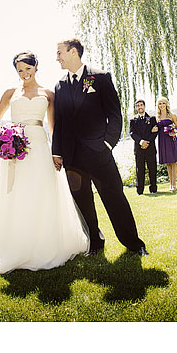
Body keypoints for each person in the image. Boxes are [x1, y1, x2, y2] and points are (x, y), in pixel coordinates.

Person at [0, 52, 89, 272]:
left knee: (42, 191)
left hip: (39, 145)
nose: (24, 74)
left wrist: (56, 152)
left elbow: (53, 125)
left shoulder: (48, 93)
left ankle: (45, 243)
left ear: (36, 66)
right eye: (20, 70)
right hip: (14, 149)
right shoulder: (11, 93)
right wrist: (2, 141)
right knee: (15, 192)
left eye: (27, 69)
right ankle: (12, 243)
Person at [52, 38, 148, 256]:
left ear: (73, 52)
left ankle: (134, 243)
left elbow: (114, 114)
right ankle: (95, 242)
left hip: (99, 153)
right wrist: (56, 152)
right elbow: (60, 122)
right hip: (73, 157)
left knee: (115, 197)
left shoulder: (100, 77)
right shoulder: (60, 85)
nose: (56, 57)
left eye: (59, 53)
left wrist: (106, 144)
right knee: (83, 202)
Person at [128, 99, 158, 195]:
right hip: (139, 149)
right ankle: (139, 191)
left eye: (141, 105)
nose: (140, 107)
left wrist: (147, 142)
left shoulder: (152, 119)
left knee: (152, 169)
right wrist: (141, 142)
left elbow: (155, 131)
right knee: (140, 170)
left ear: (144, 106)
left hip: (150, 148)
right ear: (136, 108)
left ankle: (153, 189)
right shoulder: (133, 120)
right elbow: (132, 133)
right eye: (138, 105)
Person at [155, 97, 177, 192]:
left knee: (173, 161)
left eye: (163, 103)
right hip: (162, 140)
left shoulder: (172, 115)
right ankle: (170, 183)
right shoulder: (157, 117)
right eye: (160, 104)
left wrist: (174, 131)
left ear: (166, 104)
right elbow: (155, 129)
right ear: (158, 106)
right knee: (168, 162)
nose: (161, 105)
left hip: (171, 139)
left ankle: (174, 184)